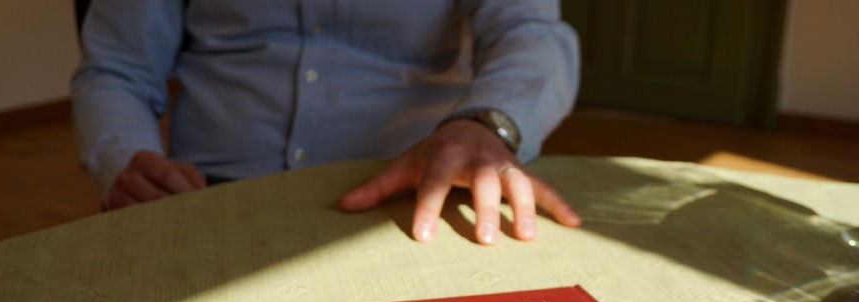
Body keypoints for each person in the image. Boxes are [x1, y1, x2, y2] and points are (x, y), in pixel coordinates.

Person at [71, 1, 581, 244]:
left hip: (411, 196)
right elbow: (116, 70)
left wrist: (488, 123)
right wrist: (123, 157)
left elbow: (531, 31)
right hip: (205, 200)